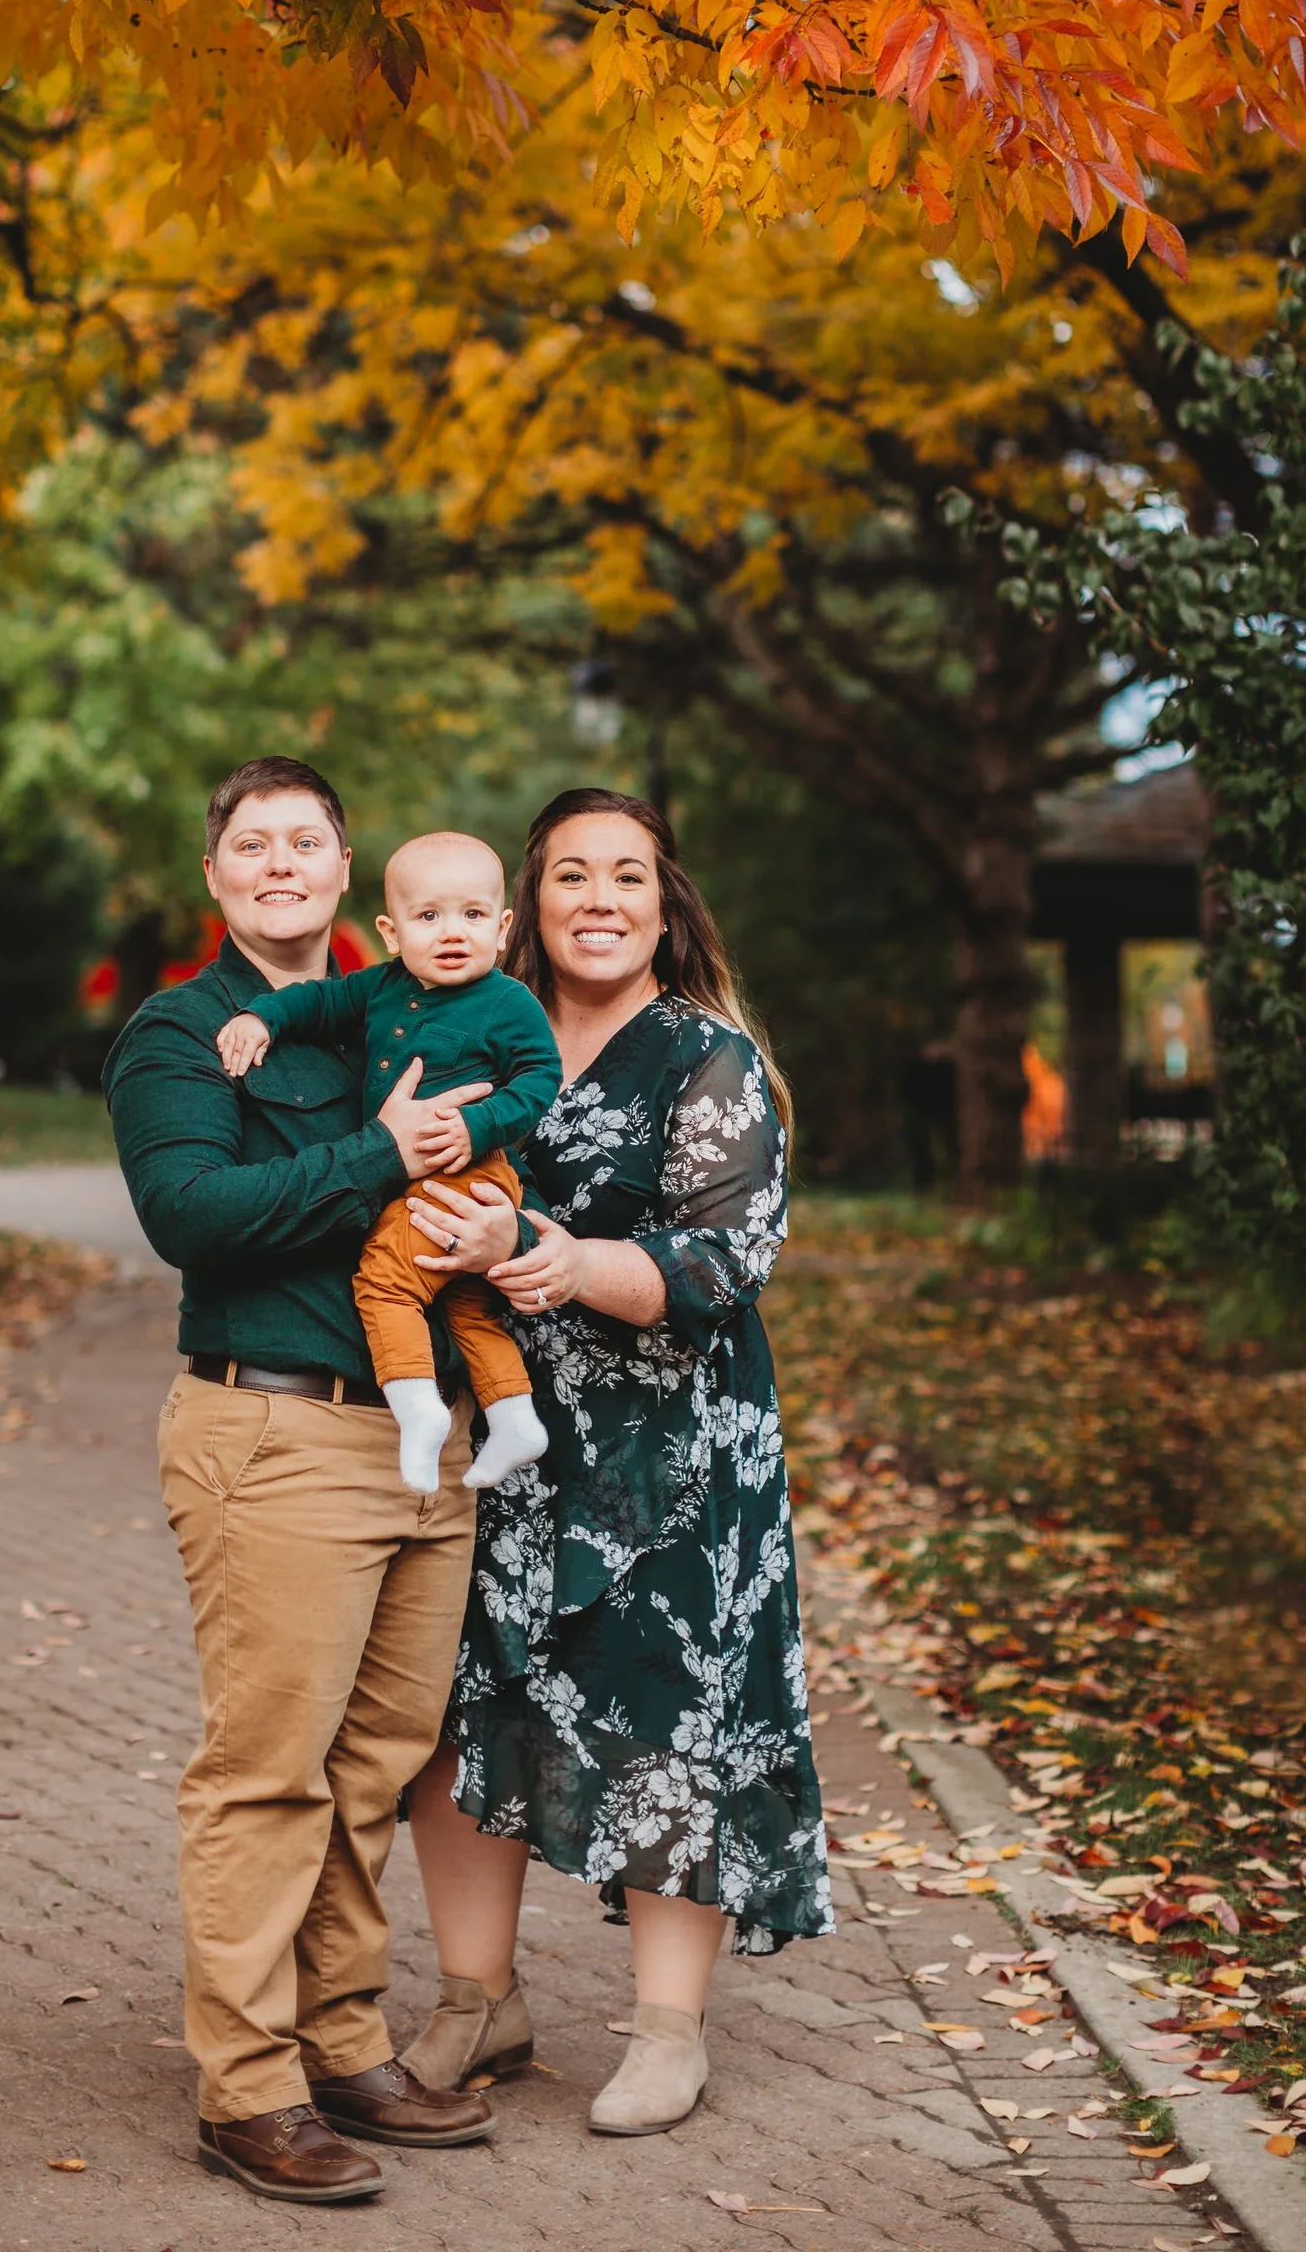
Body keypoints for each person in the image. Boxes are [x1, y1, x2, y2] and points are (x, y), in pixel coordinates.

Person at [398, 788, 834, 2137]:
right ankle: (478, 2002)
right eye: (568, 874)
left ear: (663, 903)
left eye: (625, 875)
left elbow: (722, 1262)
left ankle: (665, 2034)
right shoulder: (482, 1034)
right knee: (460, 1714)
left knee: (665, 1723)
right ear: (528, 901)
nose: (597, 897)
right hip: (505, 1440)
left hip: (674, 1458)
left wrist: (560, 1260)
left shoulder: (704, 1058)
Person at [104, 758, 497, 2207]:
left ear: (346, 869)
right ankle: (246, 2089)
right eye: (251, 844)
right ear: (216, 876)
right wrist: (375, 1149)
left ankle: (343, 2045)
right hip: (270, 1435)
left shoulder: (408, 1006)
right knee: (265, 1779)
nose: (280, 863)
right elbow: (191, 1216)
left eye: (306, 841)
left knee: (374, 1771)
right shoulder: (180, 1033)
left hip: (421, 1440)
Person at [216, 829, 560, 1494]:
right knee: (464, 1306)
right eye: (428, 916)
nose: (452, 932)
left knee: (383, 1283)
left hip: (464, 1171)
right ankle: (515, 1417)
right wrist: (262, 1019)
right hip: (412, 1179)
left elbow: (539, 1077)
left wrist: (477, 1122)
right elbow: (316, 1001)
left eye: (472, 914)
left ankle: (417, 1411)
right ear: (391, 930)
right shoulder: (381, 988)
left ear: (503, 926)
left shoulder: (508, 1002)